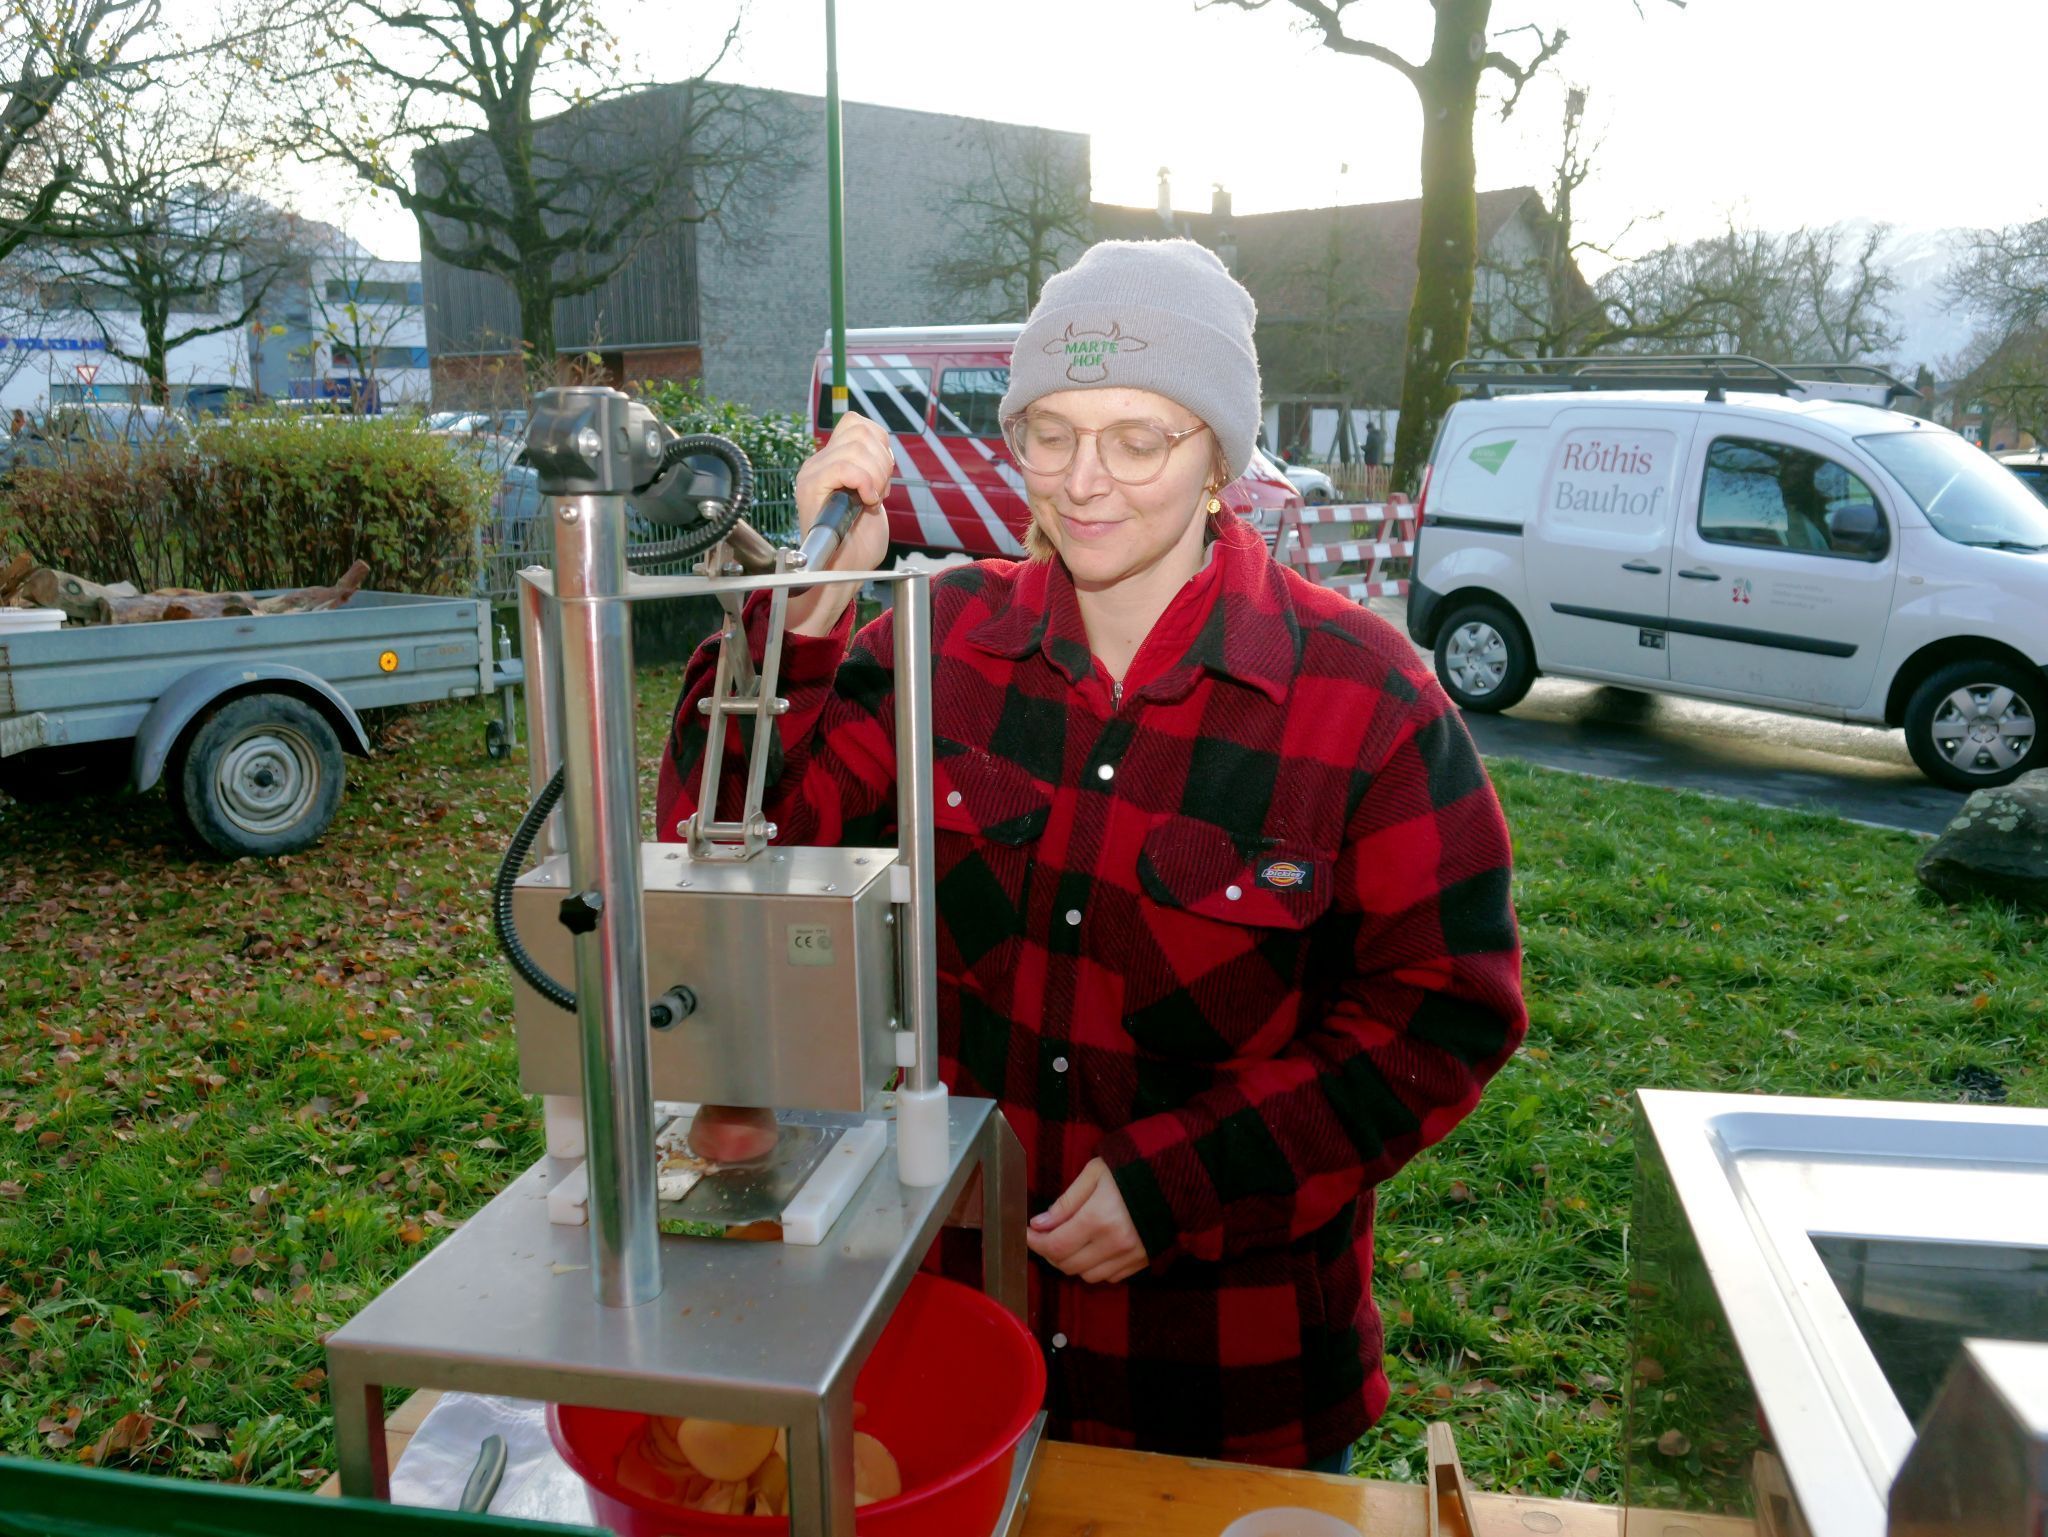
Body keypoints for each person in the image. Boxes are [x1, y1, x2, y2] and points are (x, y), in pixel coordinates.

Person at [656, 239, 1526, 1472]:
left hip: (1226, 1385)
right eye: (1048, 432)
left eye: (1139, 437)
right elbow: (723, 849)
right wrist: (804, 608)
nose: (1083, 481)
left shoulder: (1365, 701)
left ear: (1220, 455)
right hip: (951, 1333)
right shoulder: (940, 643)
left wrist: (1187, 1182)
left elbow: (1442, 1015)